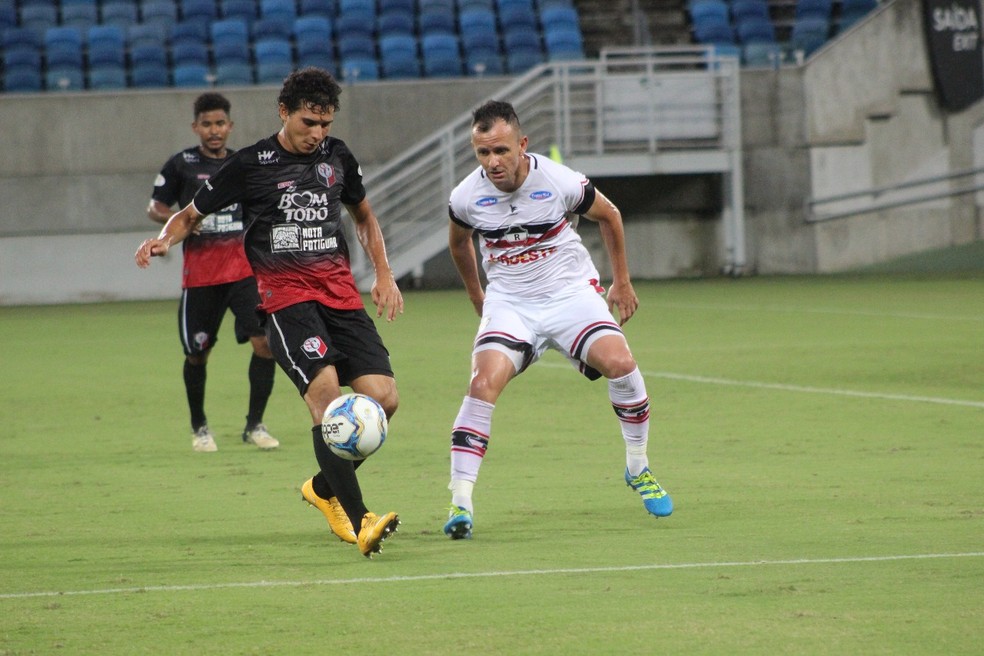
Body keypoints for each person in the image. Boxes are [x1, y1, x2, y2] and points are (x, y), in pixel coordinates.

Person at [136, 68, 403, 558]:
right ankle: (360, 518)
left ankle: (323, 489)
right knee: (327, 404)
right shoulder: (250, 163)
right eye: (308, 122)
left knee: (383, 401)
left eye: (325, 123)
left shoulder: (337, 156)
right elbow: (189, 213)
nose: (318, 133)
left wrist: (383, 274)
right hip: (286, 300)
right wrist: (163, 240)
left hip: (341, 296)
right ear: (284, 112)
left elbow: (363, 215)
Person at [441, 100, 673, 540]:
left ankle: (638, 467)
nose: (493, 162)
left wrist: (621, 282)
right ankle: (461, 502)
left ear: (522, 144)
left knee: (621, 364)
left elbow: (610, 215)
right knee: (482, 384)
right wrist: (478, 295)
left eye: (501, 151)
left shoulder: (559, 181)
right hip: (510, 301)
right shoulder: (466, 196)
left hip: (568, 293)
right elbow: (458, 243)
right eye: (482, 153)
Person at [148, 92, 280, 454]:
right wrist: (180, 225)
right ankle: (199, 427)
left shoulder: (241, 163)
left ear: (230, 126)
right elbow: (156, 207)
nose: (214, 130)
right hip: (201, 277)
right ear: (196, 127)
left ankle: (255, 424)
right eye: (206, 124)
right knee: (197, 353)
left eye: (220, 123)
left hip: (243, 272)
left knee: (265, 344)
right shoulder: (181, 164)